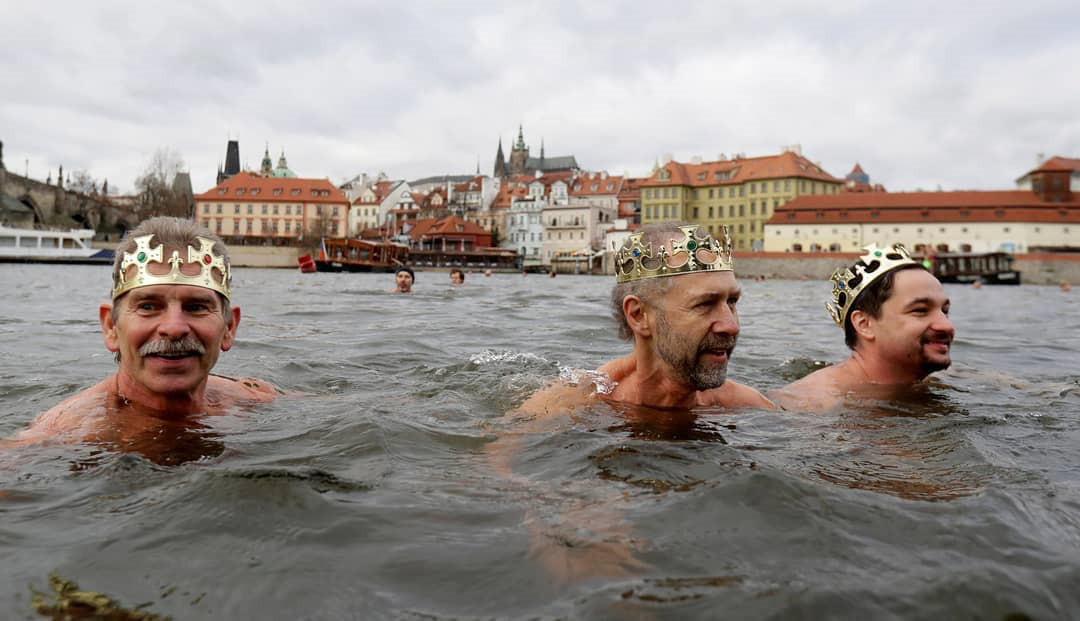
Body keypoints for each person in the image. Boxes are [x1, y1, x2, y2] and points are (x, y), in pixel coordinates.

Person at [3, 217, 277, 449]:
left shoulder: (252, 399)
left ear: (229, 328)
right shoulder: (60, 439)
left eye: (196, 307)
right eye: (148, 306)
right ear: (111, 327)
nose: (173, 328)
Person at [518, 222, 775, 413]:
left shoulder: (745, 407)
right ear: (639, 315)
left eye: (732, 302)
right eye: (705, 304)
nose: (731, 325)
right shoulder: (571, 405)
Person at [771, 243, 955, 413]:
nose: (947, 326)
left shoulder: (945, 379)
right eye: (920, 310)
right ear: (864, 324)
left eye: (944, 311)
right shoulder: (810, 404)